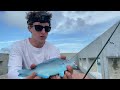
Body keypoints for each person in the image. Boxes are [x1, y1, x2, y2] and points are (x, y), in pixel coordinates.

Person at [7, 11, 90, 79]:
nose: (43, 32)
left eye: (47, 29)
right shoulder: (18, 46)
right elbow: (12, 73)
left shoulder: (54, 49)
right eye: (38, 27)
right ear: (29, 28)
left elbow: (55, 72)